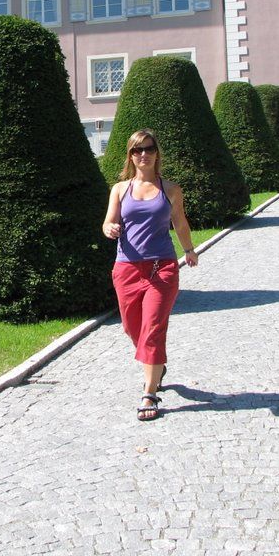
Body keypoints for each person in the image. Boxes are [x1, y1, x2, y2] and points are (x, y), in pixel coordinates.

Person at [102, 129, 198, 421]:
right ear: (130, 156)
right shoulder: (120, 189)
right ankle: (155, 366)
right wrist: (109, 228)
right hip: (127, 269)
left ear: (157, 153)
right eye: (137, 150)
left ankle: (149, 393)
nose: (143, 154)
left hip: (161, 268)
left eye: (149, 148)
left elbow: (179, 222)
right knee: (133, 328)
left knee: (153, 328)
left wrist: (189, 249)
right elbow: (108, 222)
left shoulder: (170, 189)